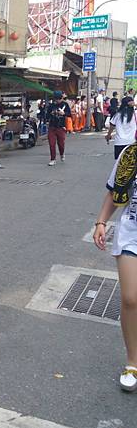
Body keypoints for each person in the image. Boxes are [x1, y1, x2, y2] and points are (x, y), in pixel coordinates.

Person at [94, 142, 137, 392]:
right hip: (131, 231)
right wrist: (101, 222)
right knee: (131, 298)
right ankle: (132, 361)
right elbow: (114, 191)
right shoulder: (130, 154)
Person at [46, 90, 71, 166]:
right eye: (56, 99)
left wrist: (63, 113)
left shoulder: (65, 105)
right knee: (51, 143)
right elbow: (47, 116)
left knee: (61, 144)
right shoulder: (51, 105)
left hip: (61, 127)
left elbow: (69, 114)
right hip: (52, 127)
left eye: (59, 99)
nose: (57, 101)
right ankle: (53, 159)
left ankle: (62, 154)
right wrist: (51, 114)